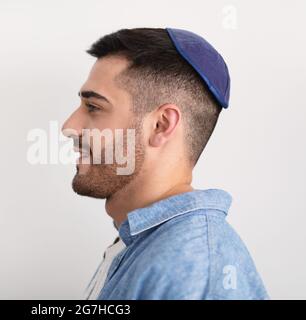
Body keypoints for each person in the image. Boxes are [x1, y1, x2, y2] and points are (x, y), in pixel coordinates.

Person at [61, 28, 269, 299]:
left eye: (94, 107)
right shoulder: (140, 245)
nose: (69, 127)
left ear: (161, 125)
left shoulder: (196, 268)